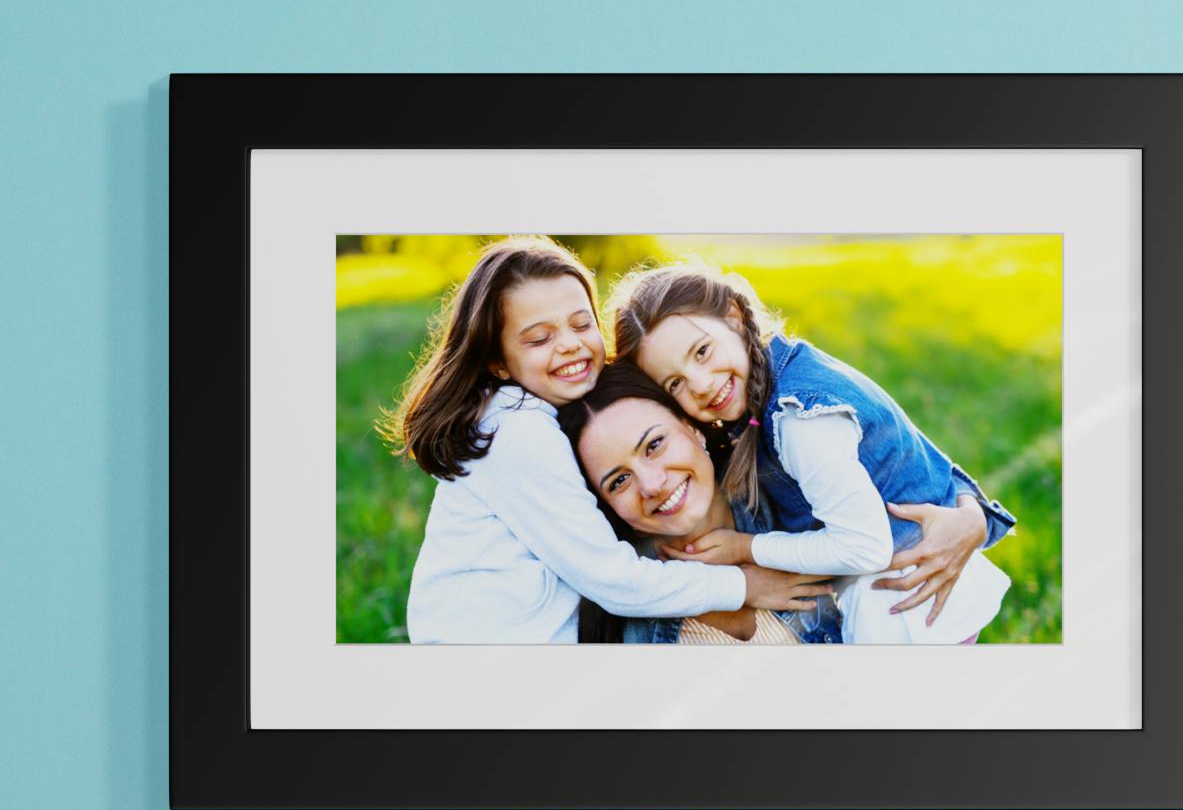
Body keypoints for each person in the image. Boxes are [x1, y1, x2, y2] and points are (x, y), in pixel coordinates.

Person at [378, 237, 832, 643]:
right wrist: (745, 586)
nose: (570, 345)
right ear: (497, 362)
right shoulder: (514, 432)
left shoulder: (548, 420)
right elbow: (612, 578)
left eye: (581, 324)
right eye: (539, 338)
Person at [609, 259, 1016, 644]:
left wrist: (743, 548)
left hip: (907, 602)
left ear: (733, 316)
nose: (698, 383)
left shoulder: (800, 418)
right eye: (675, 384)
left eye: (702, 352)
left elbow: (863, 548)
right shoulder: (778, 373)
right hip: (908, 592)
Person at [558, 361, 844, 645]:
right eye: (619, 481)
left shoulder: (792, 488)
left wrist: (887, 564)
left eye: (654, 445)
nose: (652, 485)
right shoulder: (630, 624)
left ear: (692, 428)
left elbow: (875, 541)